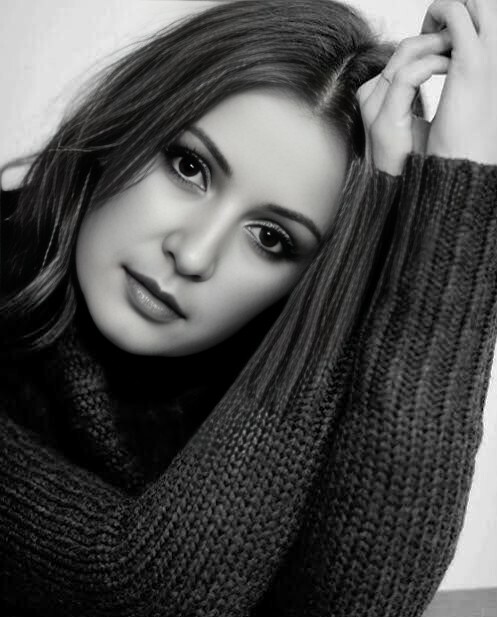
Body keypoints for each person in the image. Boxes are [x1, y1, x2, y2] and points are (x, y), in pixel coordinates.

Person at [0, 0, 496, 615]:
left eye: (270, 238)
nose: (192, 255)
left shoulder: (285, 388)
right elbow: (147, 591)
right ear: (127, 122)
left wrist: (452, 207)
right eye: (189, 167)